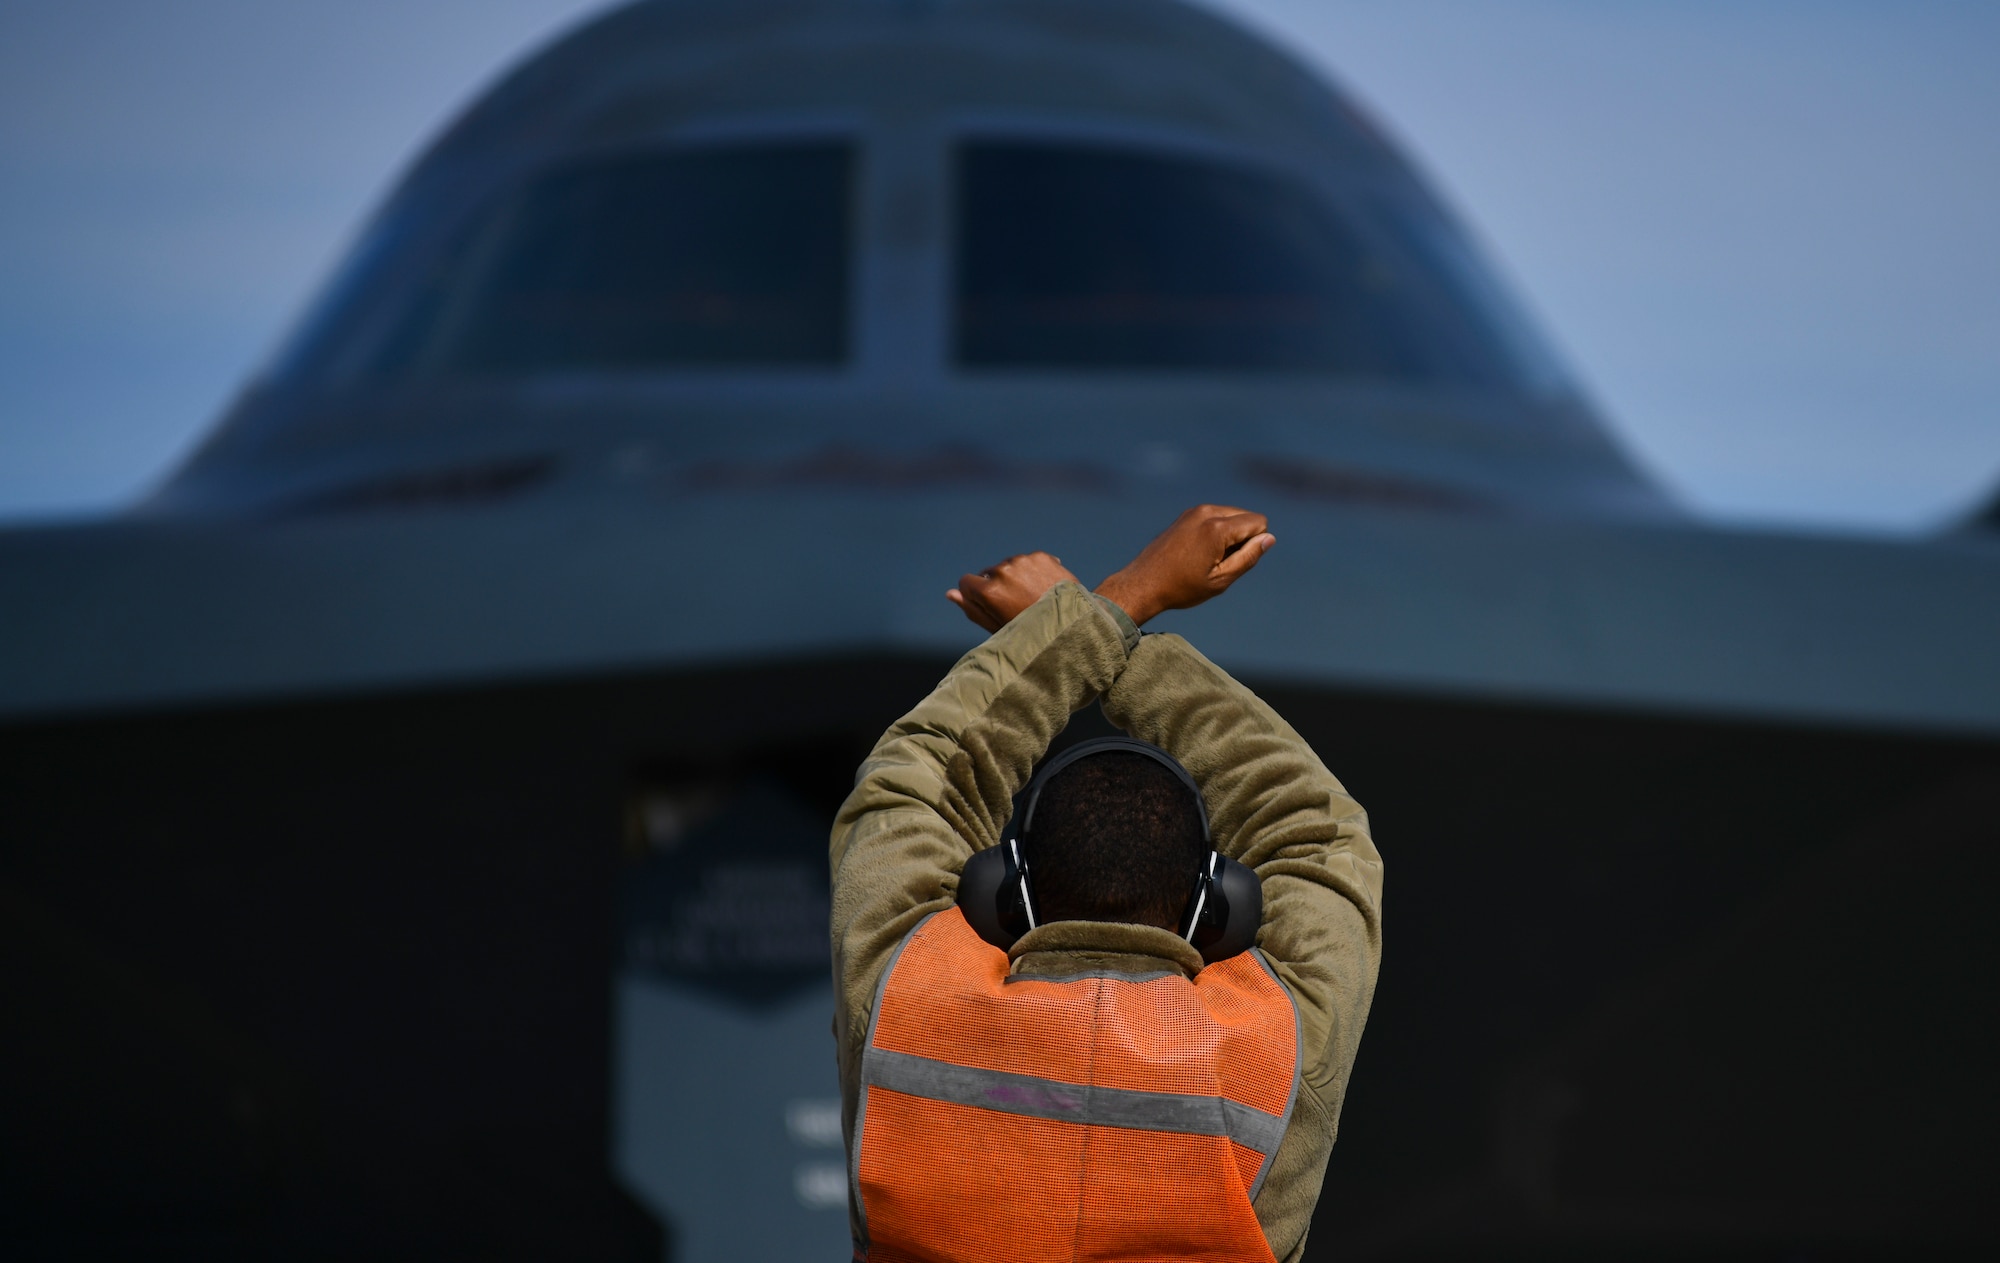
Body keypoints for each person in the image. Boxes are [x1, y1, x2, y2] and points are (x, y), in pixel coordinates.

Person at [829, 505, 1384, 1263]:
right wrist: (1102, 622)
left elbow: (917, 783)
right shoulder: (1283, 1045)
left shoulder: (901, 997)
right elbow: (1316, 829)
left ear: (1004, 893)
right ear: (1215, 909)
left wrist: (1119, 601)